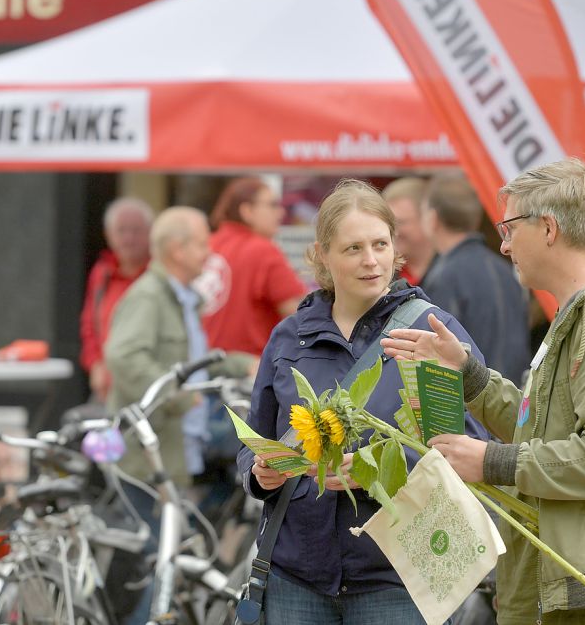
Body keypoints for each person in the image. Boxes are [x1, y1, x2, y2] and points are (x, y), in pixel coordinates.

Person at [383, 158, 585, 624]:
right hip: (574, 576)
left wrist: (490, 461)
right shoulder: (583, 315)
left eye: (509, 228)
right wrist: (469, 375)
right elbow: (544, 427)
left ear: (547, 228)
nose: (504, 246)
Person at [236, 179, 489, 625]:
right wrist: (260, 473)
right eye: (353, 248)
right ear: (323, 255)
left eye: (380, 244)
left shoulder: (432, 333)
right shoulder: (288, 338)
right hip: (296, 576)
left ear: (396, 248)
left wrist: (378, 469)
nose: (371, 261)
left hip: (398, 577)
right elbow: (254, 439)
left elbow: (468, 447)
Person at [104, 206, 253, 625]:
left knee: (177, 551)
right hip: (148, 457)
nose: (210, 251)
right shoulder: (150, 296)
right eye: (203, 242)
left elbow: (189, 363)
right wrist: (176, 397)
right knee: (162, 562)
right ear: (176, 249)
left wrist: (241, 364)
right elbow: (124, 356)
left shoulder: (181, 297)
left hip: (176, 451)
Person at [419, 174, 531, 382]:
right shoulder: (507, 269)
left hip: (473, 403)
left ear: (432, 219)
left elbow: (436, 355)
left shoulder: (445, 276)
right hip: (513, 400)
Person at [200, 176, 307, 357]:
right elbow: (301, 313)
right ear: (247, 211)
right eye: (273, 205)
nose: (281, 213)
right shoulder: (262, 250)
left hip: (205, 365)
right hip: (252, 370)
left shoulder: (208, 245)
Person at [79, 197, 154, 402]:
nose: (129, 238)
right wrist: (95, 364)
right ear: (108, 235)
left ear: (150, 234)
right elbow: (89, 325)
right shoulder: (102, 274)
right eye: (121, 230)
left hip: (147, 387)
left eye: (136, 230)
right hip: (108, 386)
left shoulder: (157, 276)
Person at [381, 176, 434, 285]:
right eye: (387, 223)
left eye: (400, 222)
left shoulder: (453, 270)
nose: (393, 231)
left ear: (427, 220)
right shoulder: (382, 275)